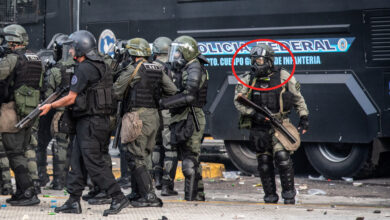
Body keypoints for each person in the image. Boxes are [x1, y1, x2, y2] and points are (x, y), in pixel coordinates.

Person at [39, 30, 128, 216]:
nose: (70, 51)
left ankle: (118, 196)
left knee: (93, 163)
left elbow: (71, 98)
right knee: (77, 162)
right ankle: (73, 200)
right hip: (93, 121)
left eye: (72, 48)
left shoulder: (85, 68)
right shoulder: (100, 64)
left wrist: (50, 105)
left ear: (81, 48)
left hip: (91, 123)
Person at [234, 43, 309, 204]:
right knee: (264, 162)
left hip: (279, 124)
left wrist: (304, 117)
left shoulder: (283, 76)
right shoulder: (248, 79)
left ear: (269, 60)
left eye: (259, 60)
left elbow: (297, 98)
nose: (256, 63)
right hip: (259, 127)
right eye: (254, 60)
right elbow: (238, 102)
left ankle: (289, 196)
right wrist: (254, 114)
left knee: (282, 157)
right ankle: (270, 197)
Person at [113, 37, 177, 207]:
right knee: (145, 155)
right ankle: (138, 192)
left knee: (134, 156)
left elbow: (116, 92)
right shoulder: (157, 68)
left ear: (132, 53)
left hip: (137, 117)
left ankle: (149, 196)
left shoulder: (132, 69)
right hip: (154, 117)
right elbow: (172, 90)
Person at [159, 35, 209, 201]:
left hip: (191, 115)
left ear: (187, 53)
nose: (176, 57)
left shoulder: (194, 68)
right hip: (182, 115)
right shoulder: (186, 67)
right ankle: (199, 194)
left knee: (189, 160)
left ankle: (191, 197)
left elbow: (189, 96)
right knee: (191, 157)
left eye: (179, 53)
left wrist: (165, 103)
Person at [0, 24, 42, 206]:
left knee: (14, 153)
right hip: (29, 112)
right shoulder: (35, 58)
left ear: (12, 41)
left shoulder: (11, 59)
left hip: (11, 111)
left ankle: (27, 192)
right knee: (22, 151)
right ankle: (21, 191)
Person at [42, 33, 75, 190]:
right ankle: (77, 181)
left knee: (60, 147)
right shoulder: (81, 66)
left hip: (61, 114)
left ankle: (59, 181)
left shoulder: (56, 70)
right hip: (79, 114)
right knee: (77, 148)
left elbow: (48, 96)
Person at [150, 36, 179, 196]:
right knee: (170, 149)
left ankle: (158, 180)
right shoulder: (171, 69)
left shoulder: (149, 67)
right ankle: (168, 185)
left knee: (155, 146)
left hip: (153, 112)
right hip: (168, 111)